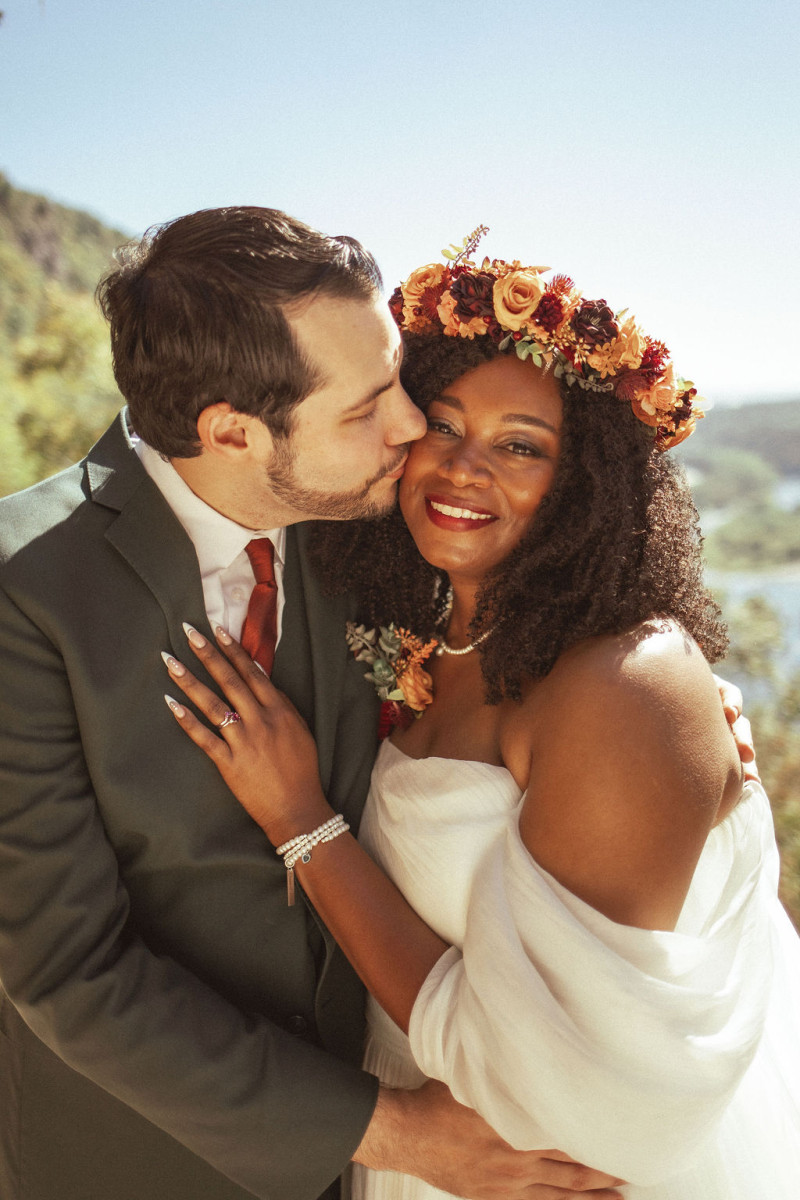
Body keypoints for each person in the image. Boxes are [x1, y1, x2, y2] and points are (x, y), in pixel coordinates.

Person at [0, 208, 633, 1200]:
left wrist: (664, 717)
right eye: (367, 406)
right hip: (139, 1162)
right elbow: (68, 974)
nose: (410, 428)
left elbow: (526, 624)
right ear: (231, 432)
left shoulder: (366, 519)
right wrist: (395, 1134)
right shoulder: (24, 593)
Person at [163, 241, 800, 1199]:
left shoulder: (623, 682)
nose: (463, 469)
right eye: (442, 425)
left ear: (586, 487)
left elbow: (564, 1082)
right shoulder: (416, 636)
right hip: (426, 1151)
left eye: (520, 446)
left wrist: (302, 822)